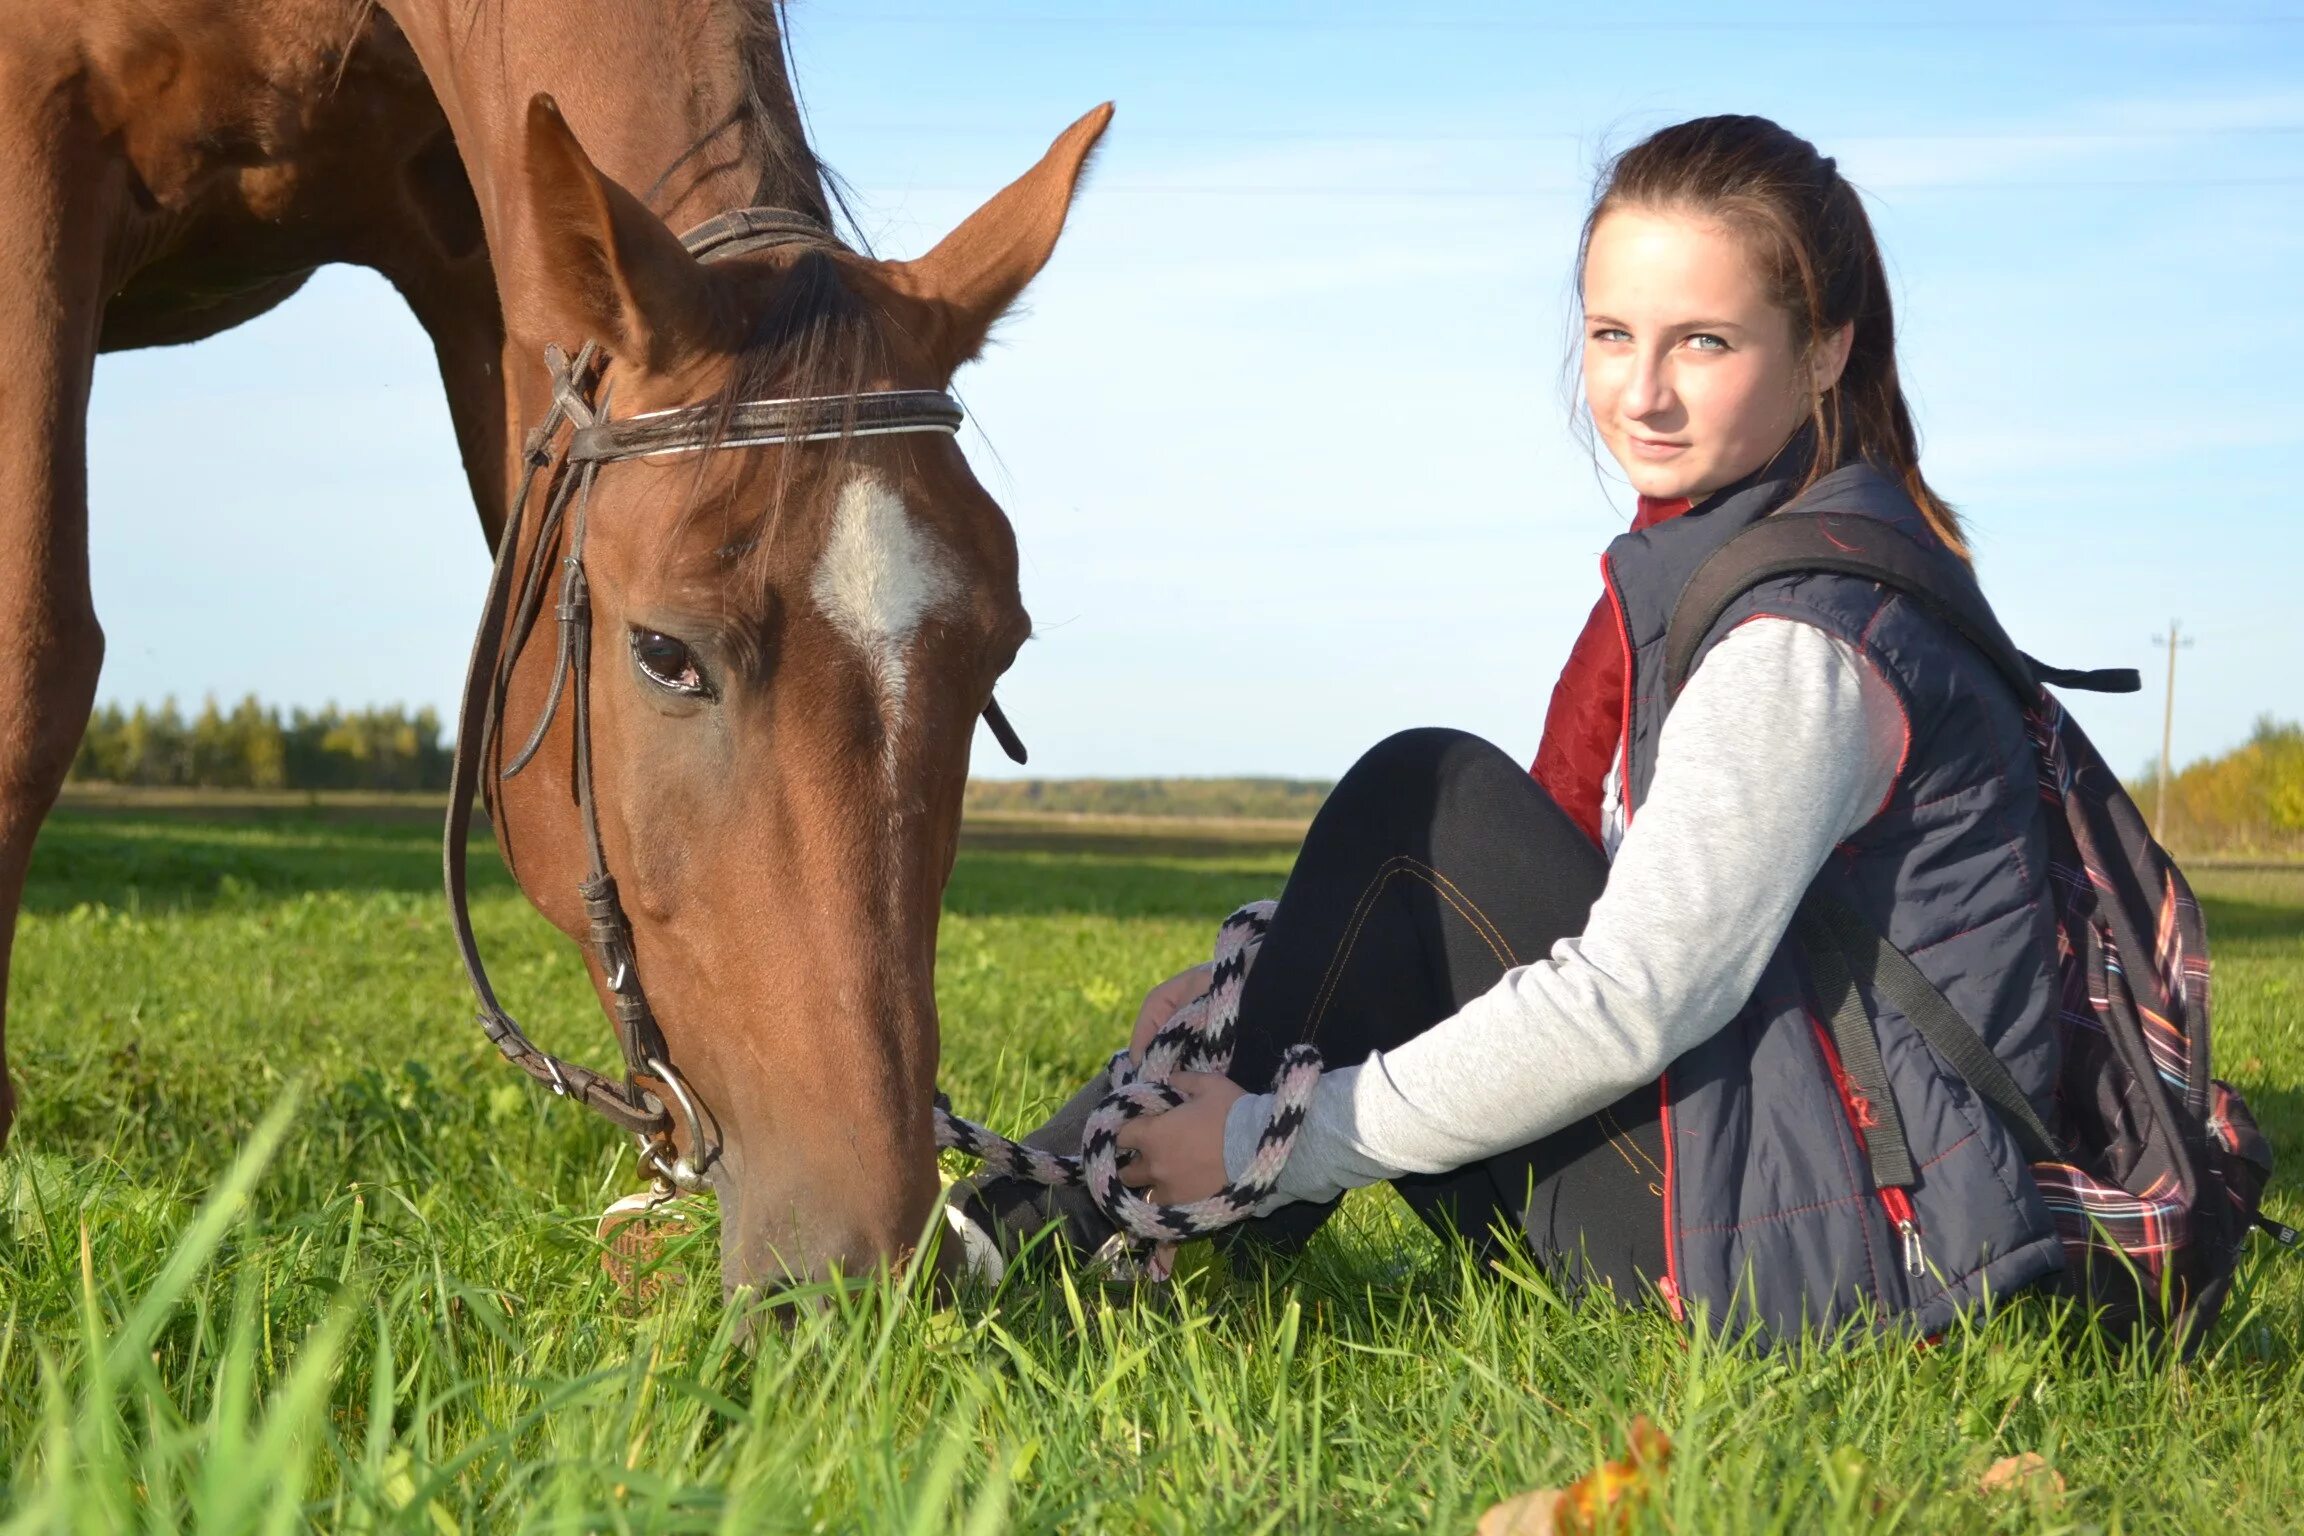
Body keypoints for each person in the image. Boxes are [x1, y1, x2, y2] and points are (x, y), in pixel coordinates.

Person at [962, 114, 2069, 1343]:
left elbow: (1632, 998)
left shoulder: (1799, 645)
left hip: (1859, 1267)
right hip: (1828, 1188)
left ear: (1823, 354)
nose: (1640, 392)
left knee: (1417, 800)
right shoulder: (1788, 558)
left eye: (1703, 341)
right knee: (1417, 826)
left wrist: (1270, 1141)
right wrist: (1286, 977)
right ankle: (1057, 1228)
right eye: (1611, 335)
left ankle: (1014, 1248)